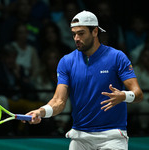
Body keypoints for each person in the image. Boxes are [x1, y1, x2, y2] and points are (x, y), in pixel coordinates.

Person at [23, 11, 143, 150]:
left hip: (112, 136)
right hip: (80, 137)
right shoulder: (66, 62)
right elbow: (59, 101)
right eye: (74, 34)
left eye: (81, 33)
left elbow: (138, 94)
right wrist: (41, 111)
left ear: (95, 31)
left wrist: (124, 96)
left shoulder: (117, 57)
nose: (76, 38)